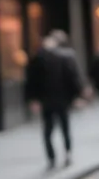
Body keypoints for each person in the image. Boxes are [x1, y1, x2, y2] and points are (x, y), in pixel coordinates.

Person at [25, 30, 82, 169]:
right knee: (64, 128)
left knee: (48, 130)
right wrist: (76, 96)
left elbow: (31, 81)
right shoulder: (65, 58)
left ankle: (51, 157)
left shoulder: (38, 58)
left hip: (47, 101)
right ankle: (67, 153)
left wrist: (33, 99)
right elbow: (72, 79)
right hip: (61, 100)